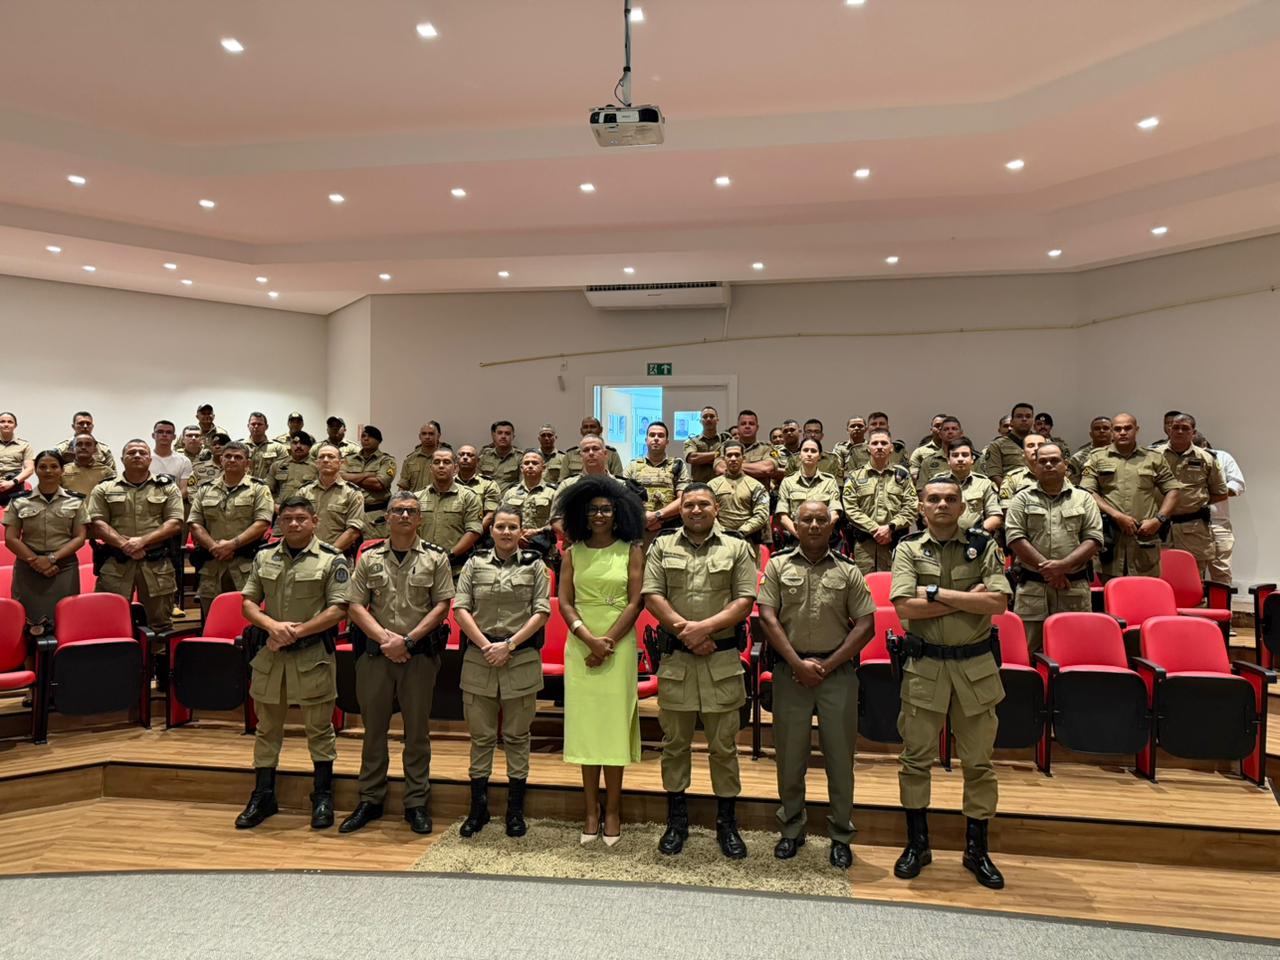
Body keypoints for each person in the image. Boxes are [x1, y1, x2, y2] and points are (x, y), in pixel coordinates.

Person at [890, 475, 1011, 889]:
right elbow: (905, 609)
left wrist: (936, 594)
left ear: (963, 507)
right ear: (922, 507)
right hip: (925, 669)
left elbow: (998, 602)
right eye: (934, 499)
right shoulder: (907, 549)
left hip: (975, 671)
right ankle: (917, 844)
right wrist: (965, 598)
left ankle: (976, 849)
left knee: (979, 764)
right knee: (915, 759)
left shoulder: (984, 546)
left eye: (951, 499)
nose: (942, 505)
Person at [642, 483, 758, 859]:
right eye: (689, 504)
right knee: (674, 746)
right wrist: (685, 631)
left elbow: (744, 601)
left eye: (702, 504)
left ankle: (727, 823)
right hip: (677, 662)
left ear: (717, 507)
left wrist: (703, 630)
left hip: (721, 662)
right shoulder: (662, 545)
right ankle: (677, 822)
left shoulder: (737, 547)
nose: (695, 510)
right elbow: (652, 595)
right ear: (682, 508)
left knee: (724, 748)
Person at [758, 500, 875, 869]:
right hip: (790, 673)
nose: (812, 525)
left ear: (831, 526)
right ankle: (791, 830)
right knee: (790, 759)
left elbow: (865, 625)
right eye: (805, 519)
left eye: (819, 520)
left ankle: (841, 834)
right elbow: (767, 617)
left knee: (840, 760)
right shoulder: (778, 565)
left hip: (836, 674)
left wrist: (826, 665)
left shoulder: (849, 570)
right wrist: (797, 663)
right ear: (794, 524)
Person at [341, 491, 454, 836]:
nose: (405, 516)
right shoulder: (369, 557)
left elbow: (441, 606)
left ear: (420, 519)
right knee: (373, 731)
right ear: (387, 517)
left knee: (416, 733)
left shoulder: (436, 558)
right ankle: (370, 799)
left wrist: (407, 641)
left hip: (418, 657)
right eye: (398, 511)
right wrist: (386, 641)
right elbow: (355, 605)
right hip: (376, 657)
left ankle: (415, 802)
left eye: (412, 511)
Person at [235, 497, 350, 830]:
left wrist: (294, 632)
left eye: (301, 518)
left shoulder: (332, 559)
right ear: (278, 523)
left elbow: (339, 608)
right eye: (287, 519)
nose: (295, 524)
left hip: (312, 656)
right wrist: (272, 627)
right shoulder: (264, 556)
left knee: (319, 729)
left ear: (314, 520)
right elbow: (248, 602)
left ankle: (323, 795)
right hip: (271, 656)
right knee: (267, 729)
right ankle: (263, 795)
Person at [556, 475, 646, 844]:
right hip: (580, 642)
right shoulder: (572, 553)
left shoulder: (631, 549)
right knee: (586, 729)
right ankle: (590, 809)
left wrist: (606, 641)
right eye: (593, 510)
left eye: (606, 509)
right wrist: (587, 638)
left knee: (611, 728)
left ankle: (613, 809)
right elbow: (564, 601)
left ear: (618, 512)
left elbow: (636, 600)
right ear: (582, 513)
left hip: (619, 643)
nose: (600, 515)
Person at [453, 505, 551, 839]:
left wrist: (507, 645)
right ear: (490, 530)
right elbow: (461, 608)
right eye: (500, 527)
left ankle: (514, 811)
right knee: (480, 737)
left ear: (521, 531)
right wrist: (486, 646)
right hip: (480, 658)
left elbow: (541, 611)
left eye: (512, 527)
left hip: (519, 658)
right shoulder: (474, 563)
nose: (506, 532)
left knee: (517, 737)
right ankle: (477, 809)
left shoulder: (536, 565)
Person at [1005, 443, 1103, 652]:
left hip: (1073, 589)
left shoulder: (1083, 498)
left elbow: (1094, 538)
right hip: (1033, 590)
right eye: (1042, 461)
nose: (1048, 465)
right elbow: (1015, 537)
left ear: (1065, 464)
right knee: (1028, 651)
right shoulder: (1022, 498)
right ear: (1034, 467)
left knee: (1075, 650)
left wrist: (1063, 566)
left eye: (1054, 460)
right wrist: (1051, 571)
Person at [85, 440, 183, 632]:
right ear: (122, 459)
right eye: (131, 452)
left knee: (161, 624)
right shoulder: (104, 488)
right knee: (108, 620)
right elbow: (97, 523)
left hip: (156, 565)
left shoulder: (167, 487)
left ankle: (157, 661)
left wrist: (141, 542)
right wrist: (124, 545)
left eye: (142, 452)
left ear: (150, 459)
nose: (137, 455)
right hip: (116, 563)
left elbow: (175, 523)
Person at [1080, 413, 1181, 580]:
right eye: (1118, 429)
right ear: (1112, 432)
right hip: (1112, 540)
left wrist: (1158, 520)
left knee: (1145, 596)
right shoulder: (1097, 457)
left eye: (1128, 428)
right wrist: (1117, 515)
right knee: (1112, 596)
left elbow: (1173, 490)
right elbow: (1087, 491)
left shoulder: (1153, 458)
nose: (1123, 432)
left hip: (1144, 538)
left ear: (1137, 430)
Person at [188, 441, 274, 619]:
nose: (232, 460)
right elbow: (195, 523)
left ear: (247, 464)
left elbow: (262, 522)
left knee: (247, 617)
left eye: (238, 457)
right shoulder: (205, 489)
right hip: (212, 564)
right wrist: (214, 547)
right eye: (228, 456)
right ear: (221, 460)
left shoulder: (259, 488)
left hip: (245, 565)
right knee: (211, 616)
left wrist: (231, 545)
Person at [3, 450, 87, 627]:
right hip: (28, 566)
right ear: (36, 470)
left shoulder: (76, 500)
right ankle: (30, 655)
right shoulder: (19, 501)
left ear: (62, 470)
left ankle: (61, 655)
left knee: (65, 619)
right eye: (42, 467)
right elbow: (11, 538)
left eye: (54, 466)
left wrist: (51, 559)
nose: (48, 471)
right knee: (25, 621)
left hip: (63, 566)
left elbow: (79, 537)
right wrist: (35, 561)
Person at [1160, 414, 1228, 576]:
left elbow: (1220, 493)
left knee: (1193, 579)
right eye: (1176, 427)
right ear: (1169, 429)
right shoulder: (1153, 455)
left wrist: (1195, 501)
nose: (1179, 431)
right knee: (1159, 577)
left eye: (1185, 428)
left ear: (1193, 432)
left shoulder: (1206, 458)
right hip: (1159, 527)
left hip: (1193, 529)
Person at [842, 429, 917, 573]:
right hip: (865, 547)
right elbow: (850, 509)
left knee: (893, 588)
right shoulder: (855, 477)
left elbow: (911, 507)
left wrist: (890, 527)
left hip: (894, 544)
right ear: (868, 448)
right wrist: (876, 529)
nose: (879, 446)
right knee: (864, 589)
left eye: (884, 443)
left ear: (891, 448)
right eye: (875, 443)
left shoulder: (902, 476)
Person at [414, 448, 483, 570]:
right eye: (437, 462)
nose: (441, 466)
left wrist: (449, 555)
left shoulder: (468, 496)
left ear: (455, 468)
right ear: (430, 468)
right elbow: (411, 530)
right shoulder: (417, 498)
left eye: (446, 462)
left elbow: (473, 531)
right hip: (422, 565)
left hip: (456, 566)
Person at [706, 440, 771, 559]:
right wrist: (722, 532)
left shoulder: (756, 486)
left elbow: (762, 514)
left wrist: (741, 532)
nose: (733, 458)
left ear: (743, 458)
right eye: (729, 455)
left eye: (737, 455)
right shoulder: (711, 486)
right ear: (724, 459)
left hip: (747, 542)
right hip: (718, 541)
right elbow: (707, 512)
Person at [296, 443, 365, 556]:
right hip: (305, 555)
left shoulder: (352, 493)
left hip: (338, 555)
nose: (326, 460)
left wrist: (327, 555)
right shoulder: (304, 491)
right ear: (316, 463)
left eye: (331, 456)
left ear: (340, 463)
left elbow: (353, 531)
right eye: (321, 457)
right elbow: (296, 523)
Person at [626, 421, 687, 545]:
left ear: (667, 442)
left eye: (660, 435)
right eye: (652, 435)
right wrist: (644, 516)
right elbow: (623, 497)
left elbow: (684, 499)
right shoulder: (632, 466)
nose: (656, 439)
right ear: (646, 439)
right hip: (639, 530)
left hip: (669, 530)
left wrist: (658, 515)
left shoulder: (677, 465)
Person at [775, 438, 841, 543]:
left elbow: (834, 513)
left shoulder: (829, 481)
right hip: (796, 539)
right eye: (805, 450)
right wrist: (800, 536)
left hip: (824, 540)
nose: (809, 454)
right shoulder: (788, 482)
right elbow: (783, 516)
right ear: (800, 455)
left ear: (819, 456)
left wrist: (819, 534)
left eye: (813, 451)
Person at [550, 435, 613, 539]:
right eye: (586, 450)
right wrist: (576, 540)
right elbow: (556, 519)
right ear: (580, 456)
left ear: (605, 454)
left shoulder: (619, 485)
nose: (591, 453)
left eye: (596, 449)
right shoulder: (568, 485)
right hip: (577, 545)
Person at [341, 426, 396, 538]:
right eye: (363, 436)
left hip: (374, 514)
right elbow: (340, 477)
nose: (366, 439)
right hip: (349, 513)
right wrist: (366, 475)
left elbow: (378, 484)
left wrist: (351, 478)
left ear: (379, 440)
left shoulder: (387, 460)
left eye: (370, 436)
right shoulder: (349, 459)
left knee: (373, 550)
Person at [1205, 437, 1245, 585]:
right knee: (1190, 572)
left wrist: (1209, 496)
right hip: (1187, 524)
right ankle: (1195, 608)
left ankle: (1222, 607)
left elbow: (1238, 485)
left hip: (1218, 524)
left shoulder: (1222, 457)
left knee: (1221, 572)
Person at [505, 449, 558, 558]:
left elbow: (559, 523)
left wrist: (536, 532)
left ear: (543, 468)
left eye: (535, 463)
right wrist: (517, 535)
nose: (530, 466)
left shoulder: (552, 493)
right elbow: (501, 520)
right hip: (514, 550)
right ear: (521, 468)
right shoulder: (510, 493)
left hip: (544, 551)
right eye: (526, 463)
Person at [945, 437, 1003, 535]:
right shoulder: (936, 483)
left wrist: (977, 533)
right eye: (955, 455)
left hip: (975, 539)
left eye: (965, 455)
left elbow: (995, 516)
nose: (960, 459)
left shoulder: (984, 483)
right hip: (944, 538)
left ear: (972, 459)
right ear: (948, 460)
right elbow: (927, 514)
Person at [716, 410, 780, 485]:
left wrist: (733, 466)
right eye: (743, 424)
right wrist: (755, 469)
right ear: (738, 427)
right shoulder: (725, 447)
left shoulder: (767, 448)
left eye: (751, 424)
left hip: (758, 495)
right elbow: (720, 469)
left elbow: (766, 469)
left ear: (757, 427)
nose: (747, 426)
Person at [981, 403, 1034, 488]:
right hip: (1011, 493)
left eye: (1028, 416)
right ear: (1012, 422)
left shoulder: (1043, 443)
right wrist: (1011, 492)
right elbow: (994, 475)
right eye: (1019, 416)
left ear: (1032, 420)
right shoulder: (997, 445)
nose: (1024, 419)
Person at [841, 412, 909, 474]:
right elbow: (850, 478)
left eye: (882, 424)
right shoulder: (856, 451)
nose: (877, 426)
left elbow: (906, 475)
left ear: (887, 427)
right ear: (867, 429)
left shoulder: (899, 450)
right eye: (874, 424)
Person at [456, 444, 501, 535]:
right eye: (462, 454)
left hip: (478, 537)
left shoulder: (488, 484)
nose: (465, 457)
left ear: (478, 461)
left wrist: (470, 536)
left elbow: (490, 516)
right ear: (456, 460)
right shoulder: (449, 483)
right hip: (452, 535)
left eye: (470, 455)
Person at [560, 416, 625, 479]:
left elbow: (617, 480)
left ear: (600, 430)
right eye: (585, 427)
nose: (589, 430)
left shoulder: (612, 454)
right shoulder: (570, 455)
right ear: (581, 430)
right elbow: (563, 480)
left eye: (593, 427)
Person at [997, 433, 1050, 508]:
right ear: (1023, 453)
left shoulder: (1058, 476)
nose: (1036, 448)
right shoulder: (1012, 479)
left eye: (1040, 445)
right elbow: (1007, 512)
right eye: (1031, 446)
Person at [269, 432, 318, 506]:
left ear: (309, 447)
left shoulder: (317, 466)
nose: (298, 446)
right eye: (295, 443)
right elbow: (268, 490)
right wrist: (274, 505)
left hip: (307, 510)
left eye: (303, 443)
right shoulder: (277, 465)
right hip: (281, 509)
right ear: (290, 445)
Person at [911, 417, 962, 487]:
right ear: (940, 434)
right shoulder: (927, 461)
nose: (950, 432)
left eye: (954, 429)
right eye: (946, 429)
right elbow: (921, 489)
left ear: (961, 433)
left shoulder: (973, 459)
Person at [150, 420, 193, 502]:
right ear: (153, 435)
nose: (164, 435)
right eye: (160, 432)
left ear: (174, 437)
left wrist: (169, 504)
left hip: (174, 506)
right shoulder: (145, 459)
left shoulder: (184, 461)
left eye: (168, 432)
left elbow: (184, 490)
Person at [683, 406, 727, 484]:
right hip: (699, 485)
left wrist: (703, 459)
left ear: (717, 420)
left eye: (712, 416)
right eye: (705, 417)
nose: (708, 419)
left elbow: (727, 460)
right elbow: (693, 458)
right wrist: (718, 454)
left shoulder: (725, 441)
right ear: (700, 421)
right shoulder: (692, 441)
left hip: (721, 485)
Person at [398, 421, 445, 493]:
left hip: (439, 502)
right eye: (424, 434)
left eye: (431, 434)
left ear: (438, 436)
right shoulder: (410, 460)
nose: (427, 437)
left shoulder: (446, 459)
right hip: (415, 502)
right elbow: (403, 486)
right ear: (420, 436)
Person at [0, 412, 35, 507]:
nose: (6, 424)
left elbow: (30, 469)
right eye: (2, 421)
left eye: (10, 422)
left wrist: (12, 482)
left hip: (14, 487)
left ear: (15, 425)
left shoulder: (24, 445)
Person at [478, 420, 521, 493]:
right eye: (500, 433)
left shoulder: (520, 457)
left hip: (510, 500)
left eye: (507, 433)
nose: (503, 436)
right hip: (487, 498)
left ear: (513, 437)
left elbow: (522, 485)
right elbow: (477, 482)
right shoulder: (484, 457)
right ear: (494, 436)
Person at [242, 412, 287, 483]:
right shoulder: (240, 447)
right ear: (248, 426)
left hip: (269, 491)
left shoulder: (278, 448)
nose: (256, 426)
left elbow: (283, 474)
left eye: (259, 424)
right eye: (253, 424)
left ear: (266, 427)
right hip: (244, 490)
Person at [1068, 416, 1112, 484]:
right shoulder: (1078, 457)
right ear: (1091, 434)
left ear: (1113, 432)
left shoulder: (1122, 453)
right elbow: (1073, 485)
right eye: (1097, 429)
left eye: (1105, 428)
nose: (1101, 431)